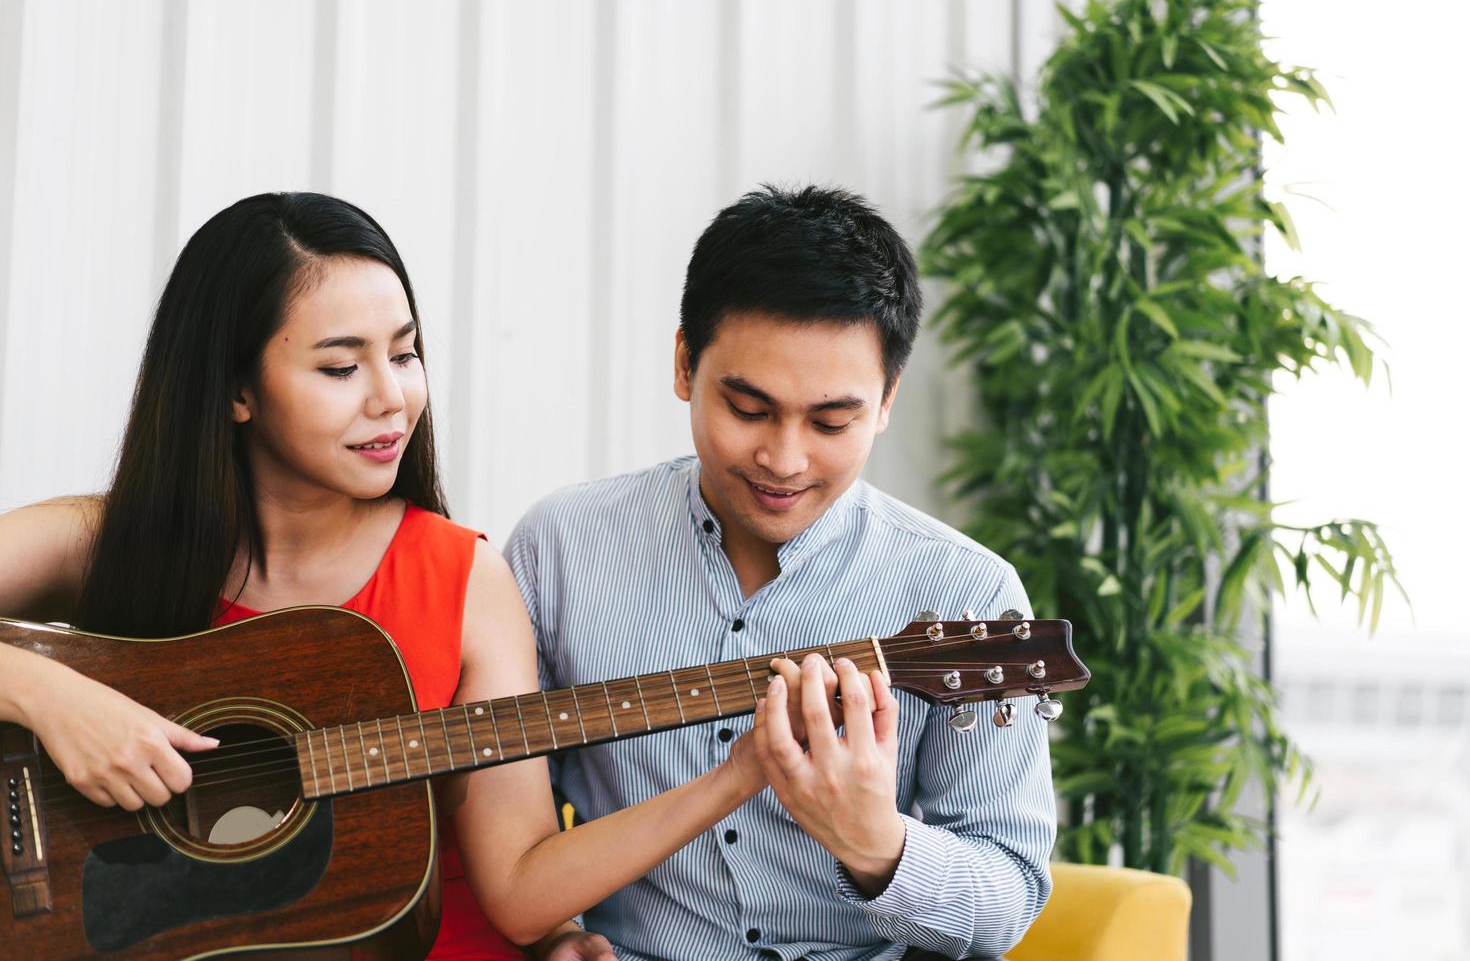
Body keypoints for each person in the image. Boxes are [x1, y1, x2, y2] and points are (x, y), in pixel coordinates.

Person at [0, 192, 778, 960]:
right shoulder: (106, 539)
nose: (392, 398)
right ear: (236, 389)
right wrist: (49, 696)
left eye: (405, 355)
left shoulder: (463, 579)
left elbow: (518, 891)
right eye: (341, 366)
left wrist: (741, 775)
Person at [507, 185, 1057, 961]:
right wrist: (556, 933)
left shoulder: (970, 595)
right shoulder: (558, 549)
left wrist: (878, 847)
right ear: (683, 364)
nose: (784, 459)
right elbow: (502, 835)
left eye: (832, 422)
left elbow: (1010, 898)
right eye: (748, 408)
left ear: (886, 401)